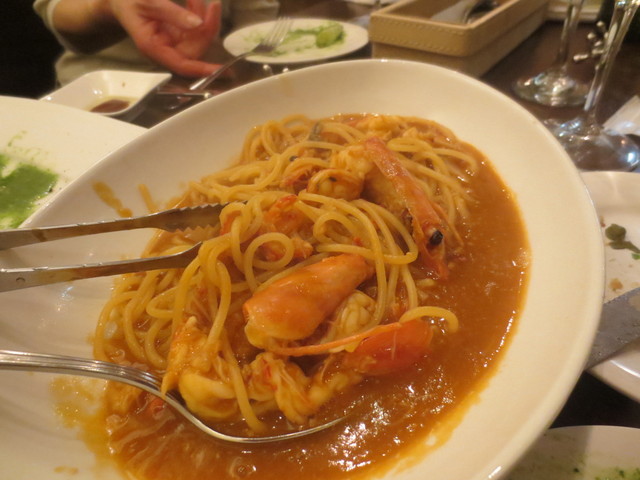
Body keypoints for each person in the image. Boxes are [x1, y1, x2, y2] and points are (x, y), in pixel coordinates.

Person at [33, 0, 279, 86]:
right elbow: (55, 10)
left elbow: (255, 16)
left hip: (213, 80)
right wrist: (110, 6)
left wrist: (254, 52)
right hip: (104, 86)